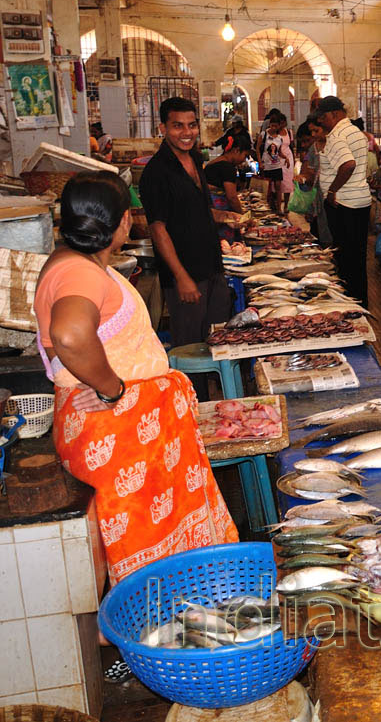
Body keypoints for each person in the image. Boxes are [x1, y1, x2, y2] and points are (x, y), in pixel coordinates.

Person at [33, 172, 238, 586]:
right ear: (124, 220)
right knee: (140, 536)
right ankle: (150, 609)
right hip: (115, 431)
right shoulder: (80, 273)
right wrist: (111, 389)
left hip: (120, 428)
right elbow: (69, 334)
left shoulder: (71, 260)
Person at [140, 97, 231, 351]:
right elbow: (158, 229)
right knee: (191, 347)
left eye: (192, 125)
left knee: (220, 341)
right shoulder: (156, 173)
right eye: (177, 126)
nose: (187, 132)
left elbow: (197, 210)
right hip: (186, 275)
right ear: (163, 128)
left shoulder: (195, 159)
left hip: (212, 268)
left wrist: (226, 217)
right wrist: (181, 277)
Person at [314, 96, 372, 305]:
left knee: (345, 257)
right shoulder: (356, 132)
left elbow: (348, 165)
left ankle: (348, 302)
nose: (321, 122)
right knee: (358, 257)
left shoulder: (336, 136)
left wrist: (332, 190)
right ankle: (360, 300)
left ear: (335, 114)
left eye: (323, 117)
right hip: (360, 200)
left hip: (343, 203)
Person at [204, 143, 248, 242]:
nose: (244, 160)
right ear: (236, 150)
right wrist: (243, 217)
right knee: (225, 243)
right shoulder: (227, 167)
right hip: (218, 211)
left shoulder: (213, 163)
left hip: (210, 211)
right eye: (245, 155)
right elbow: (232, 197)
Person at [257, 112, 294, 215]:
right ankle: (266, 206)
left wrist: (286, 158)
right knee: (267, 187)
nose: (273, 128)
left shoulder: (279, 138)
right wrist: (260, 162)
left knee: (278, 186)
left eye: (276, 126)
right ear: (269, 124)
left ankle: (279, 208)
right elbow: (258, 149)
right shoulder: (264, 134)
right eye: (272, 125)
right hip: (266, 165)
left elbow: (279, 152)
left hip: (277, 165)